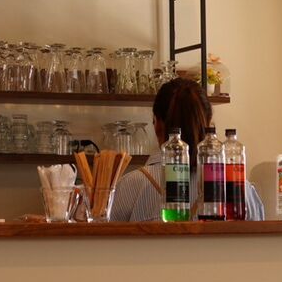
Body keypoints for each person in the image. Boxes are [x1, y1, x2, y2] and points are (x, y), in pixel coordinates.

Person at [111, 77, 264, 221]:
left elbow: (106, 238)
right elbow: (260, 237)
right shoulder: (241, 189)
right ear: (208, 124)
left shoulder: (130, 186)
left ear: (157, 124)